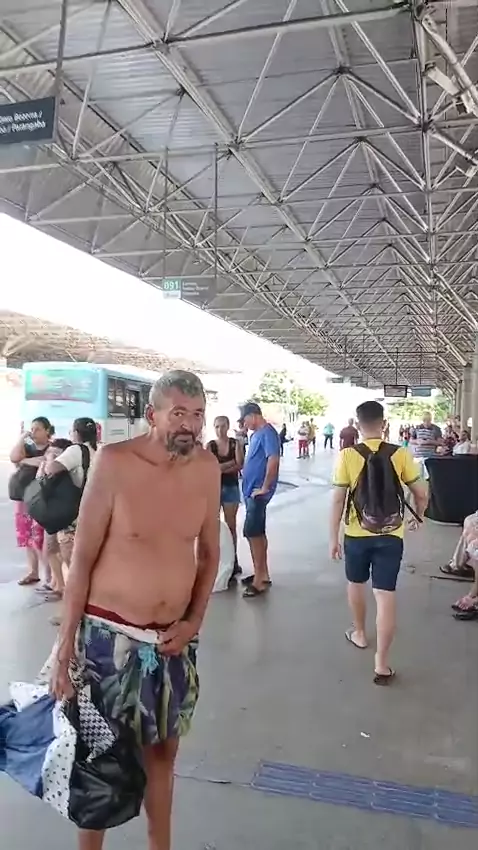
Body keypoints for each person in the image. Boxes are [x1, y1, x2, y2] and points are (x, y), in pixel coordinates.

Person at [49, 370, 220, 850]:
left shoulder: (206, 469)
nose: (189, 425)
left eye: (197, 415)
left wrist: (193, 622)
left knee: (163, 757)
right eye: (178, 413)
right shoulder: (114, 463)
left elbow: (210, 554)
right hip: (108, 639)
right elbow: (82, 559)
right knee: (99, 759)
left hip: (171, 642)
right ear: (152, 415)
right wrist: (64, 649)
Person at [329, 400, 428, 684]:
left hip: (356, 534)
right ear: (384, 424)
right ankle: (382, 664)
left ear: (358, 425)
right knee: (385, 595)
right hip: (391, 534)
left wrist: (333, 537)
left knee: (356, 584)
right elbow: (421, 493)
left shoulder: (347, 455)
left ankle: (359, 633)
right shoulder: (400, 453)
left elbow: (338, 500)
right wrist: (419, 515)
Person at [239, 402, 280, 598]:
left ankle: (260, 580)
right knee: (257, 533)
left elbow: (273, 460)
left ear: (253, 415)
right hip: (251, 491)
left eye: (245, 420)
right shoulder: (256, 434)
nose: (244, 424)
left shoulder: (268, 433)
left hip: (258, 493)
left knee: (252, 533)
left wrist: (265, 487)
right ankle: (262, 573)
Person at [46, 418, 98, 568]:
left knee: (73, 561)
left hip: (75, 511)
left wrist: (50, 457)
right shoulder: (100, 449)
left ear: (76, 433)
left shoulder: (76, 450)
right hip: (95, 509)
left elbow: (52, 469)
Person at [10, 417, 54, 586]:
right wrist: (22, 438)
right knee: (27, 536)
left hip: (40, 498)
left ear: (47, 431)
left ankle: (49, 577)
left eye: (38, 429)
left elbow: (43, 462)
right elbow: (14, 457)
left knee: (40, 538)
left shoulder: (52, 448)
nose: (33, 432)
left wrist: (23, 461)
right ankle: (33, 572)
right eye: (32, 429)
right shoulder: (27, 447)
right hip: (22, 497)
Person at [207, 415, 244, 576]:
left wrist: (220, 468)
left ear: (228, 426)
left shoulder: (235, 443)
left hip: (230, 487)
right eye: (217, 426)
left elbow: (240, 464)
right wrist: (230, 463)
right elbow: (210, 468)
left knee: (231, 526)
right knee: (213, 526)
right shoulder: (210, 445)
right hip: (214, 488)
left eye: (222, 426)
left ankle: (233, 560)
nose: (220, 430)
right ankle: (214, 560)